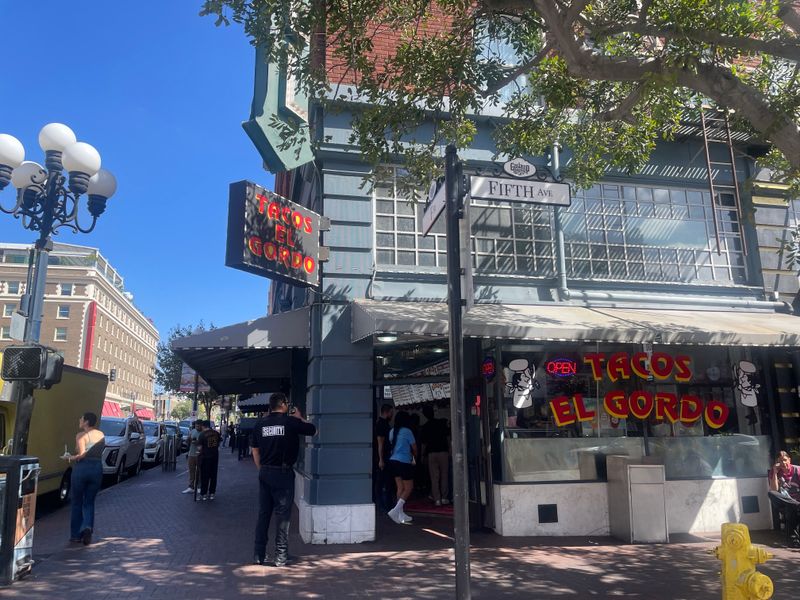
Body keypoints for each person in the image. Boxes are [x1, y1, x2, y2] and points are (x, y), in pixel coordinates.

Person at [251, 393, 316, 567]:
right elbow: (313, 430)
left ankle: (259, 554)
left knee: (264, 513)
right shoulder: (290, 422)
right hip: (283, 473)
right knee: (283, 515)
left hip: (265, 472)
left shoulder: (260, 424)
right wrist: (300, 418)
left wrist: (262, 470)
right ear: (283, 405)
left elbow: (255, 451)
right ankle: (280, 556)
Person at [63, 412, 105, 545]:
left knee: (77, 502)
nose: (79, 420)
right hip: (97, 468)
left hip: (82, 469)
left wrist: (69, 457)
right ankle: (87, 526)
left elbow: (81, 455)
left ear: (86, 422)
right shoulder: (101, 435)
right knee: (89, 502)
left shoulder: (81, 436)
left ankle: (75, 535)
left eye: (81, 418)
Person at [387, 410, 417, 525]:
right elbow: (414, 447)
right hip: (404, 461)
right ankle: (395, 511)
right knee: (409, 488)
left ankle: (400, 513)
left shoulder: (392, 432)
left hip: (393, 461)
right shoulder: (407, 431)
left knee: (400, 487)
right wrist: (414, 456)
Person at [768, 450, 800, 546]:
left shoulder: (797, 470)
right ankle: (796, 505)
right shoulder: (775, 472)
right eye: (780, 461)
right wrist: (774, 472)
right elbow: (774, 489)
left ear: (789, 460)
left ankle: (793, 538)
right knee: (771, 493)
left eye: (785, 460)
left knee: (790, 509)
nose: (783, 463)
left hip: (797, 500)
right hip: (784, 501)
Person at [420, 405, 450, 506]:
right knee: (444, 475)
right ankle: (444, 497)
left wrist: (421, 455)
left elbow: (424, 444)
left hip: (431, 453)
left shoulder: (425, 427)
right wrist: (450, 449)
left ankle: (437, 499)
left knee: (434, 477)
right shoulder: (441, 423)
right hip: (443, 451)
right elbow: (448, 438)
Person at [374, 403, 394, 511]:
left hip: (384, 456)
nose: (392, 415)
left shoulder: (381, 423)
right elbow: (380, 442)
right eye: (391, 412)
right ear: (386, 412)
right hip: (384, 457)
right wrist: (381, 459)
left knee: (383, 481)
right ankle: (383, 505)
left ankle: (384, 505)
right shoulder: (382, 424)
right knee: (384, 481)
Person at [197, 420, 221, 500]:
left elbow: (199, 448)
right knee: (213, 475)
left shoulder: (202, 435)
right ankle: (212, 493)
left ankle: (204, 494)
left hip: (205, 457)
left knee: (205, 476)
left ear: (203, 426)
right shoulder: (216, 433)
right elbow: (219, 442)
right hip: (215, 457)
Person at [181, 420, 202, 494]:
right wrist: (188, 440)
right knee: (191, 471)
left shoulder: (203, 433)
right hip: (191, 454)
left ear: (201, 426)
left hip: (199, 454)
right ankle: (191, 487)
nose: (197, 427)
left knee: (199, 471)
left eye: (198, 426)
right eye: (196, 426)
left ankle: (199, 486)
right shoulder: (192, 431)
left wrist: (198, 442)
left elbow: (204, 443)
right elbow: (189, 439)